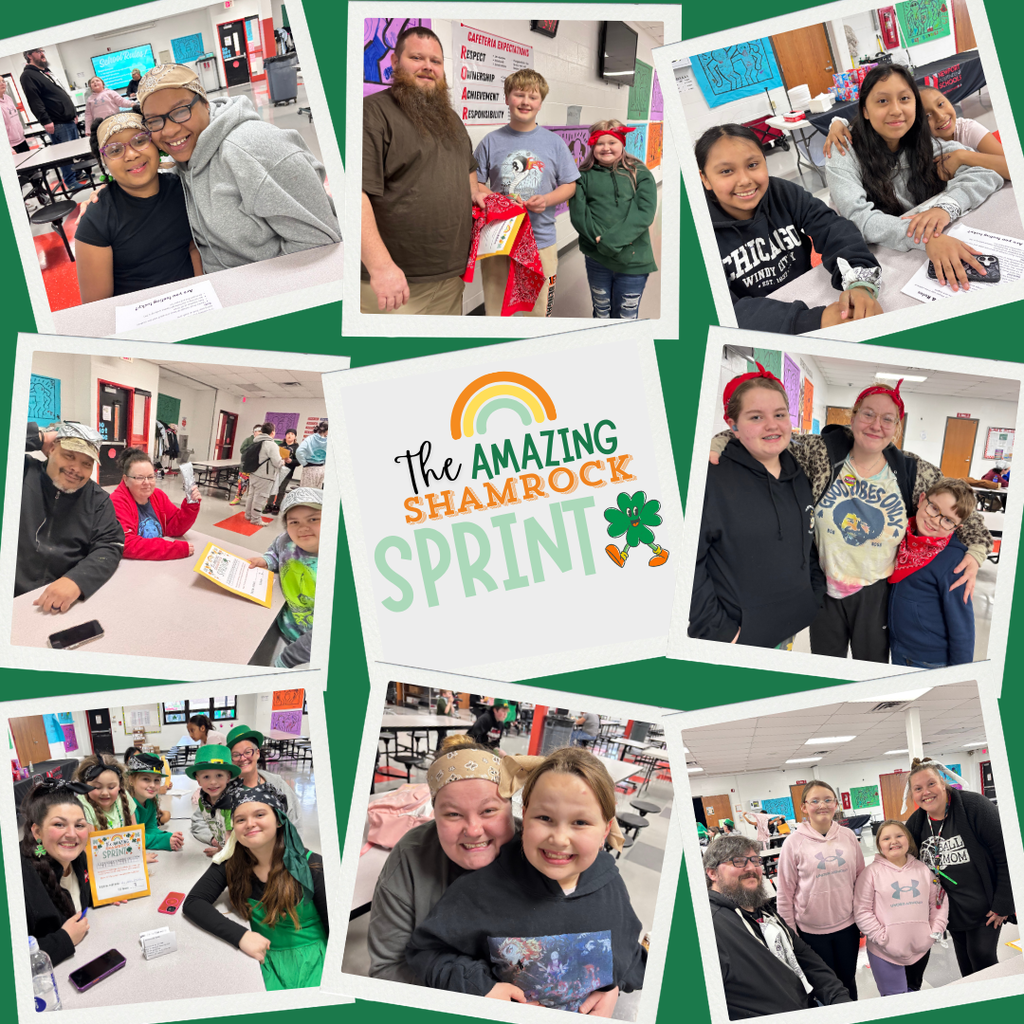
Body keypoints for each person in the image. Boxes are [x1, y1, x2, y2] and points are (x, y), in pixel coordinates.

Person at [709, 379, 992, 661]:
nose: (876, 425)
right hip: (823, 587)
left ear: (896, 428)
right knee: (825, 665)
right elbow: (767, 435)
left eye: (887, 419)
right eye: (868, 414)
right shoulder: (821, 452)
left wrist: (977, 552)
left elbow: (961, 507)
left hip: (875, 591)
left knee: (870, 667)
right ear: (853, 416)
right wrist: (718, 443)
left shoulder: (912, 470)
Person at [407, 748, 644, 1013]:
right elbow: (427, 952)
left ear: (606, 830)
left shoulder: (610, 884)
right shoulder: (478, 890)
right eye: (544, 818)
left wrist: (614, 986)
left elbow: (628, 954)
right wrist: (479, 987)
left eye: (580, 822)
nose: (559, 838)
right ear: (525, 812)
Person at [137, 64, 339, 273]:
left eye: (181, 111)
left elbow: (320, 245)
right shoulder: (183, 161)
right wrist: (113, 195)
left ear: (205, 103)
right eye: (154, 121)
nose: (169, 130)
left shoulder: (254, 149)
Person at [825, 65, 1004, 292]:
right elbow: (858, 218)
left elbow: (984, 172)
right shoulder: (843, 151)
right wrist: (925, 237)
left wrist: (946, 207)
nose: (896, 110)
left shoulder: (921, 141)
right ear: (865, 110)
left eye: (905, 98)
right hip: (885, 262)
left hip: (924, 247)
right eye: (882, 101)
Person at [695, 123, 883, 334]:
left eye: (753, 165)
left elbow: (832, 227)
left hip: (811, 294)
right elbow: (722, 311)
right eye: (726, 171)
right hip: (768, 329)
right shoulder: (697, 233)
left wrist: (860, 281)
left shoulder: (782, 193)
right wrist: (812, 321)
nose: (745, 180)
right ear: (705, 179)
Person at [691, 365, 824, 648]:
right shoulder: (709, 478)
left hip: (791, 627)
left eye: (779, 414)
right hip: (738, 640)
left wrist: (813, 594)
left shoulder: (801, 474)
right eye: (756, 417)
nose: (772, 425)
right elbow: (687, 564)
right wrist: (721, 632)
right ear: (733, 425)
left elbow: (807, 543)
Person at [368, 738, 516, 983]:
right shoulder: (410, 860)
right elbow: (388, 968)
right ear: (434, 815)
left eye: (488, 810)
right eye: (453, 814)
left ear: (512, 807)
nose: (473, 830)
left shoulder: (539, 851)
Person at [361, 26, 484, 315]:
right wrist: (381, 267)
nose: (428, 67)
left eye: (436, 61)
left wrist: (479, 193)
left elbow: (466, 171)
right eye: (417, 57)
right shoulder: (372, 113)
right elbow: (354, 194)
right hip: (396, 283)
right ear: (394, 62)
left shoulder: (451, 118)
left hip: (451, 276)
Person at [183, 783, 327, 989]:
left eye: (260, 815)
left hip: (314, 960)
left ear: (279, 820)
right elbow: (194, 902)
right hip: (261, 960)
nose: (249, 824)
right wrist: (241, 935)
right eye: (240, 819)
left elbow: (335, 928)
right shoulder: (231, 863)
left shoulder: (312, 866)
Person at [704, 834, 852, 1018]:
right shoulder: (709, 929)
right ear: (712, 873)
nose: (752, 868)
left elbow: (808, 961)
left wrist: (841, 1001)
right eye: (739, 861)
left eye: (755, 861)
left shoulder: (764, 912)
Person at [474, 69, 579, 317]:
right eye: (518, 95)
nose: (525, 102)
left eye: (532, 97)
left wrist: (547, 199)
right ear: (507, 98)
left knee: (540, 311)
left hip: (541, 240)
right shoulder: (490, 142)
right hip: (499, 240)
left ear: (540, 103)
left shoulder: (554, 143)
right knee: (496, 311)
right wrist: (498, 201)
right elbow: (475, 184)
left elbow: (570, 185)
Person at [904, 758, 1012, 978]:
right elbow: (907, 866)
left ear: (943, 783)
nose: (926, 792)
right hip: (951, 911)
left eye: (931, 784)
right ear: (913, 795)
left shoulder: (974, 807)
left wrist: (1003, 903)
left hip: (986, 907)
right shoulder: (915, 823)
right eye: (918, 788)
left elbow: (1006, 855)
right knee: (966, 964)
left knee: (982, 955)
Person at [76, 114, 200, 302]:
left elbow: (193, 249)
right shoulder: (96, 220)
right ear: (104, 161)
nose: (132, 154)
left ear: (156, 144)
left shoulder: (184, 189)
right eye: (115, 150)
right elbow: (97, 306)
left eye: (140, 140)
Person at [18, 421, 124, 612]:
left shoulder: (98, 501)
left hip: (56, 605)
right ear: (51, 449)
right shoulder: (21, 472)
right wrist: (38, 437)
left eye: (86, 463)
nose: (76, 469)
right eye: (69, 456)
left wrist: (77, 580)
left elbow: (110, 545)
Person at [775, 781, 864, 999]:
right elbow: (785, 894)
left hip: (847, 926)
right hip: (810, 932)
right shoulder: (793, 843)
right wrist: (791, 935)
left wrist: (863, 917)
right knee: (824, 988)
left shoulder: (848, 836)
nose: (822, 805)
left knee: (848, 982)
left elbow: (861, 880)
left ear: (836, 804)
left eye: (827, 799)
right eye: (814, 801)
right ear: (804, 807)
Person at [824, 85, 1010, 182]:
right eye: (927, 115)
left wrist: (963, 156)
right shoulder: (916, 141)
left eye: (941, 104)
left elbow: (1013, 168)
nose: (940, 116)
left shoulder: (967, 129)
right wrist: (838, 124)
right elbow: (872, 125)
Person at [569, 119, 658, 319]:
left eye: (612, 142)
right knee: (601, 312)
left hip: (633, 259)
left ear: (622, 143)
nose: (606, 148)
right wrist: (597, 239)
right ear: (592, 145)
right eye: (600, 143)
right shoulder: (582, 176)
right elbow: (579, 213)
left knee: (626, 315)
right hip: (597, 256)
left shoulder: (639, 173)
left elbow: (644, 213)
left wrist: (609, 242)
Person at [888, 479, 977, 668]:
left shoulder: (955, 562)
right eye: (934, 508)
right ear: (921, 500)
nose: (934, 521)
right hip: (898, 649)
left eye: (947, 520)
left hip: (930, 660)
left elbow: (962, 626)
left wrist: (960, 675)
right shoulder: (900, 537)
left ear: (957, 528)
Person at [853, 819, 947, 996]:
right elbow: (861, 910)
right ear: (879, 845)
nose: (893, 841)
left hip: (920, 948)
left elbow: (939, 901)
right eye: (886, 838)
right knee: (894, 998)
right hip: (884, 951)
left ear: (908, 840)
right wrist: (881, 938)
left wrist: (935, 930)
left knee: (914, 992)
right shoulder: (870, 873)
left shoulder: (923, 870)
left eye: (898, 836)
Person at [20, 779, 94, 967]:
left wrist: (106, 893)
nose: (71, 834)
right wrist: (64, 939)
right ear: (37, 832)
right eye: (59, 825)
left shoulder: (77, 858)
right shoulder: (19, 880)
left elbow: (78, 896)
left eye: (79, 825)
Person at [247, 487, 321, 668]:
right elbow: (275, 553)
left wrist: (286, 661)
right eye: (293, 522)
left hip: (311, 653)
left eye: (313, 519)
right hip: (282, 629)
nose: (303, 528)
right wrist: (267, 561)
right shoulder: (285, 540)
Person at [110, 446, 201, 559]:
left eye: (150, 477)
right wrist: (174, 549)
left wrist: (190, 506)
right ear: (126, 479)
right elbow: (126, 543)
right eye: (140, 478)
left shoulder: (158, 496)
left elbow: (174, 527)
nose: (147, 483)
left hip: (160, 565)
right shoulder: (117, 502)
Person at [20, 47, 83, 190]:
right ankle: (71, 182)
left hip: (68, 119)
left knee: (74, 152)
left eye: (43, 51)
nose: (43, 54)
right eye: (38, 52)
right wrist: (45, 121)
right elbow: (34, 100)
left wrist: (73, 113)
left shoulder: (44, 72)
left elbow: (60, 94)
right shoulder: (28, 75)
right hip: (57, 122)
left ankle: (77, 174)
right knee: (65, 155)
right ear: (29, 55)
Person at [226, 724, 302, 831]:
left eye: (248, 752)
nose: (243, 758)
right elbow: (202, 818)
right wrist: (216, 839)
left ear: (257, 753)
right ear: (231, 759)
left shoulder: (277, 784)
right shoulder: (225, 788)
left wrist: (292, 846)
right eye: (236, 754)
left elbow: (295, 819)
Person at [188, 743, 241, 856]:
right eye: (206, 777)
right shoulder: (204, 802)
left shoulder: (230, 802)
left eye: (219, 775)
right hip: (228, 849)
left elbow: (228, 834)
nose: (213, 782)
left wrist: (222, 856)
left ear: (228, 777)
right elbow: (217, 828)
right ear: (198, 780)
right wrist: (220, 849)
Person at [125, 751, 184, 851]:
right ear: (131, 779)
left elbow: (150, 828)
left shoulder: (151, 799)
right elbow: (133, 839)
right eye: (146, 779)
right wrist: (164, 840)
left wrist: (171, 837)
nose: (152, 785)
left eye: (156, 780)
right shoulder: (127, 804)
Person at [71, 754, 135, 833]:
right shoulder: (83, 806)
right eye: (97, 787)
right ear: (84, 785)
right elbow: (87, 843)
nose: (105, 793)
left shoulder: (124, 796)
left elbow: (135, 832)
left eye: (111, 787)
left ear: (120, 786)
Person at [244, 422, 283, 526]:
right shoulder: (271, 445)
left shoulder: (255, 441)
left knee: (251, 495)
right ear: (272, 432)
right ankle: (256, 519)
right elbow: (277, 462)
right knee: (260, 498)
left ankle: (248, 515)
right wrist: (283, 461)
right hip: (265, 476)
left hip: (253, 472)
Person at [266, 429, 299, 515]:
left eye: (292, 434)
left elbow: (299, 462)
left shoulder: (297, 448)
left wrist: (290, 461)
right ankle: (269, 504)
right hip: (277, 470)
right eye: (288, 433)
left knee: (281, 489)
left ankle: (277, 506)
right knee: (272, 488)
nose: (290, 435)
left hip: (287, 472)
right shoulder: (280, 445)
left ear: (295, 436)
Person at [230, 424, 264, 505]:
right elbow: (242, 450)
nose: (258, 433)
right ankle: (237, 498)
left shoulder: (263, 442)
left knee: (255, 487)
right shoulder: (248, 440)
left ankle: (253, 502)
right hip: (245, 467)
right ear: (254, 432)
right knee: (241, 484)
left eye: (260, 431)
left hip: (256, 468)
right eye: (257, 431)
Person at [295, 419, 327, 489]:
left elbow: (299, 451)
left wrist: (304, 463)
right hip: (321, 469)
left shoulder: (310, 438)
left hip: (309, 468)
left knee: (306, 492)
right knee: (316, 493)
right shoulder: (329, 441)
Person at [2, 76, 29, 153]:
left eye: (3, 81)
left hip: (21, 140)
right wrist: (9, 148)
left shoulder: (8, 98)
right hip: (10, 145)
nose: (2, 84)